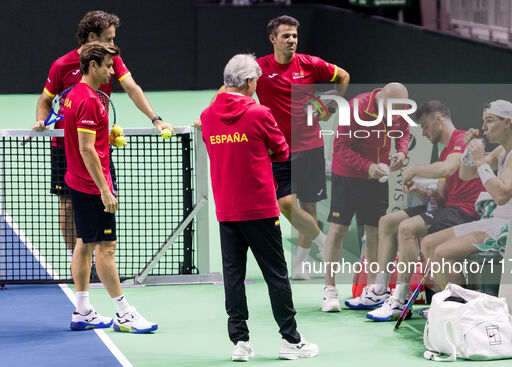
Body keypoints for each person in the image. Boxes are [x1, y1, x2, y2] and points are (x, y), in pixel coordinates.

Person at [200, 54, 318, 361]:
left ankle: (240, 342)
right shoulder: (260, 113)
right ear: (251, 82)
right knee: (277, 276)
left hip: (227, 209)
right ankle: (290, 340)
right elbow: (281, 151)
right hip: (260, 210)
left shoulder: (208, 116)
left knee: (233, 277)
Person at [33, 10, 173, 266]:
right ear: (91, 37)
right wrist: (42, 120)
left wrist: (156, 119)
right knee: (67, 205)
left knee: (105, 197)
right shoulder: (61, 65)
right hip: (65, 146)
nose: (112, 44)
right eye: (108, 38)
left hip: (97, 145)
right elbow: (46, 100)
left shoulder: (113, 60)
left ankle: (98, 259)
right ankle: (74, 258)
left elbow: (132, 89)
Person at [354, 101, 484, 321]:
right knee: (388, 221)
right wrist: (421, 190)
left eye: (424, 126)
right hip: (450, 207)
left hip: (466, 212)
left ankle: (400, 299)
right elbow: (442, 196)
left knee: (407, 228)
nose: (423, 133)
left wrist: (413, 170)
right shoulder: (445, 151)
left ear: (438, 120)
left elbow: (448, 168)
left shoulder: (462, 139)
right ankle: (379, 289)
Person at [64, 41, 157, 333]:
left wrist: (108, 138)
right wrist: (105, 189)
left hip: (77, 181)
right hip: (92, 186)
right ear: (93, 66)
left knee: (84, 243)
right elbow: (86, 148)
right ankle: (123, 313)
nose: (111, 71)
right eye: (107, 66)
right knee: (106, 247)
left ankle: (82, 310)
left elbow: (88, 141)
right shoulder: (90, 99)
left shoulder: (73, 94)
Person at [256, 15, 350, 280]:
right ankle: (323, 243)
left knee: (309, 206)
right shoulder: (260, 67)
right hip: (277, 148)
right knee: (285, 202)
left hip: (310, 145)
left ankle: (300, 264)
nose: (292, 41)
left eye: (295, 36)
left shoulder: (310, 64)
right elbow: (232, 88)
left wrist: (330, 104)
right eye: (286, 36)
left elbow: (343, 76)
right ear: (273, 39)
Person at [421, 99, 512, 289]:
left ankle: (459, 308)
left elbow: (501, 195)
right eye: (483, 121)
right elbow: (466, 174)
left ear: (507, 123)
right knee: (429, 243)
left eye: (489, 120)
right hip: (496, 222)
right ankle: (451, 300)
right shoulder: (502, 150)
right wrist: (469, 150)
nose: (483, 127)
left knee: (442, 253)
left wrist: (479, 159)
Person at [321, 83, 410, 312]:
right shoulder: (355, 108)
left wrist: (401, 151)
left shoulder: (397, 109)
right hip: (349, 175)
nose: (396, 116)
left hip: (378, 177)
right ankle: (329, 289)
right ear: (382, 101)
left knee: (374, 232)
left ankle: (371, 290)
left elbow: (403, 132)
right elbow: (340, 147)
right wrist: (366, 166)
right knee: (338, 229)